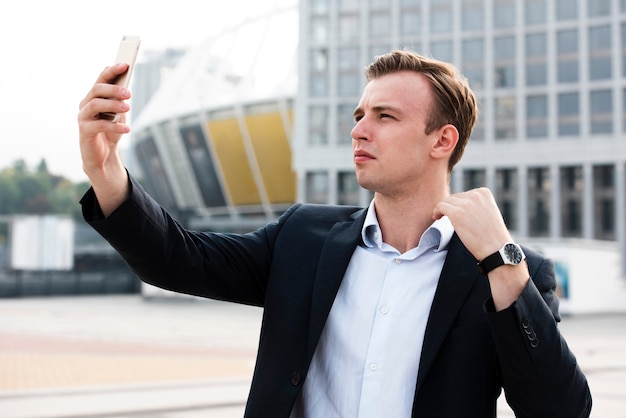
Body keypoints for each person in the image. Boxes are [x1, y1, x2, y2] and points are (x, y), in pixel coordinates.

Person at [77, 49, 592, 417]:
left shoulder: (509, 271)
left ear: (443, 140)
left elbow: (559, 409)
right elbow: (176, 258)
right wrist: (105, 173)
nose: (359, 129)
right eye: (360, 114)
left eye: (385, 116)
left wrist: (503, 267)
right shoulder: (303, 237)